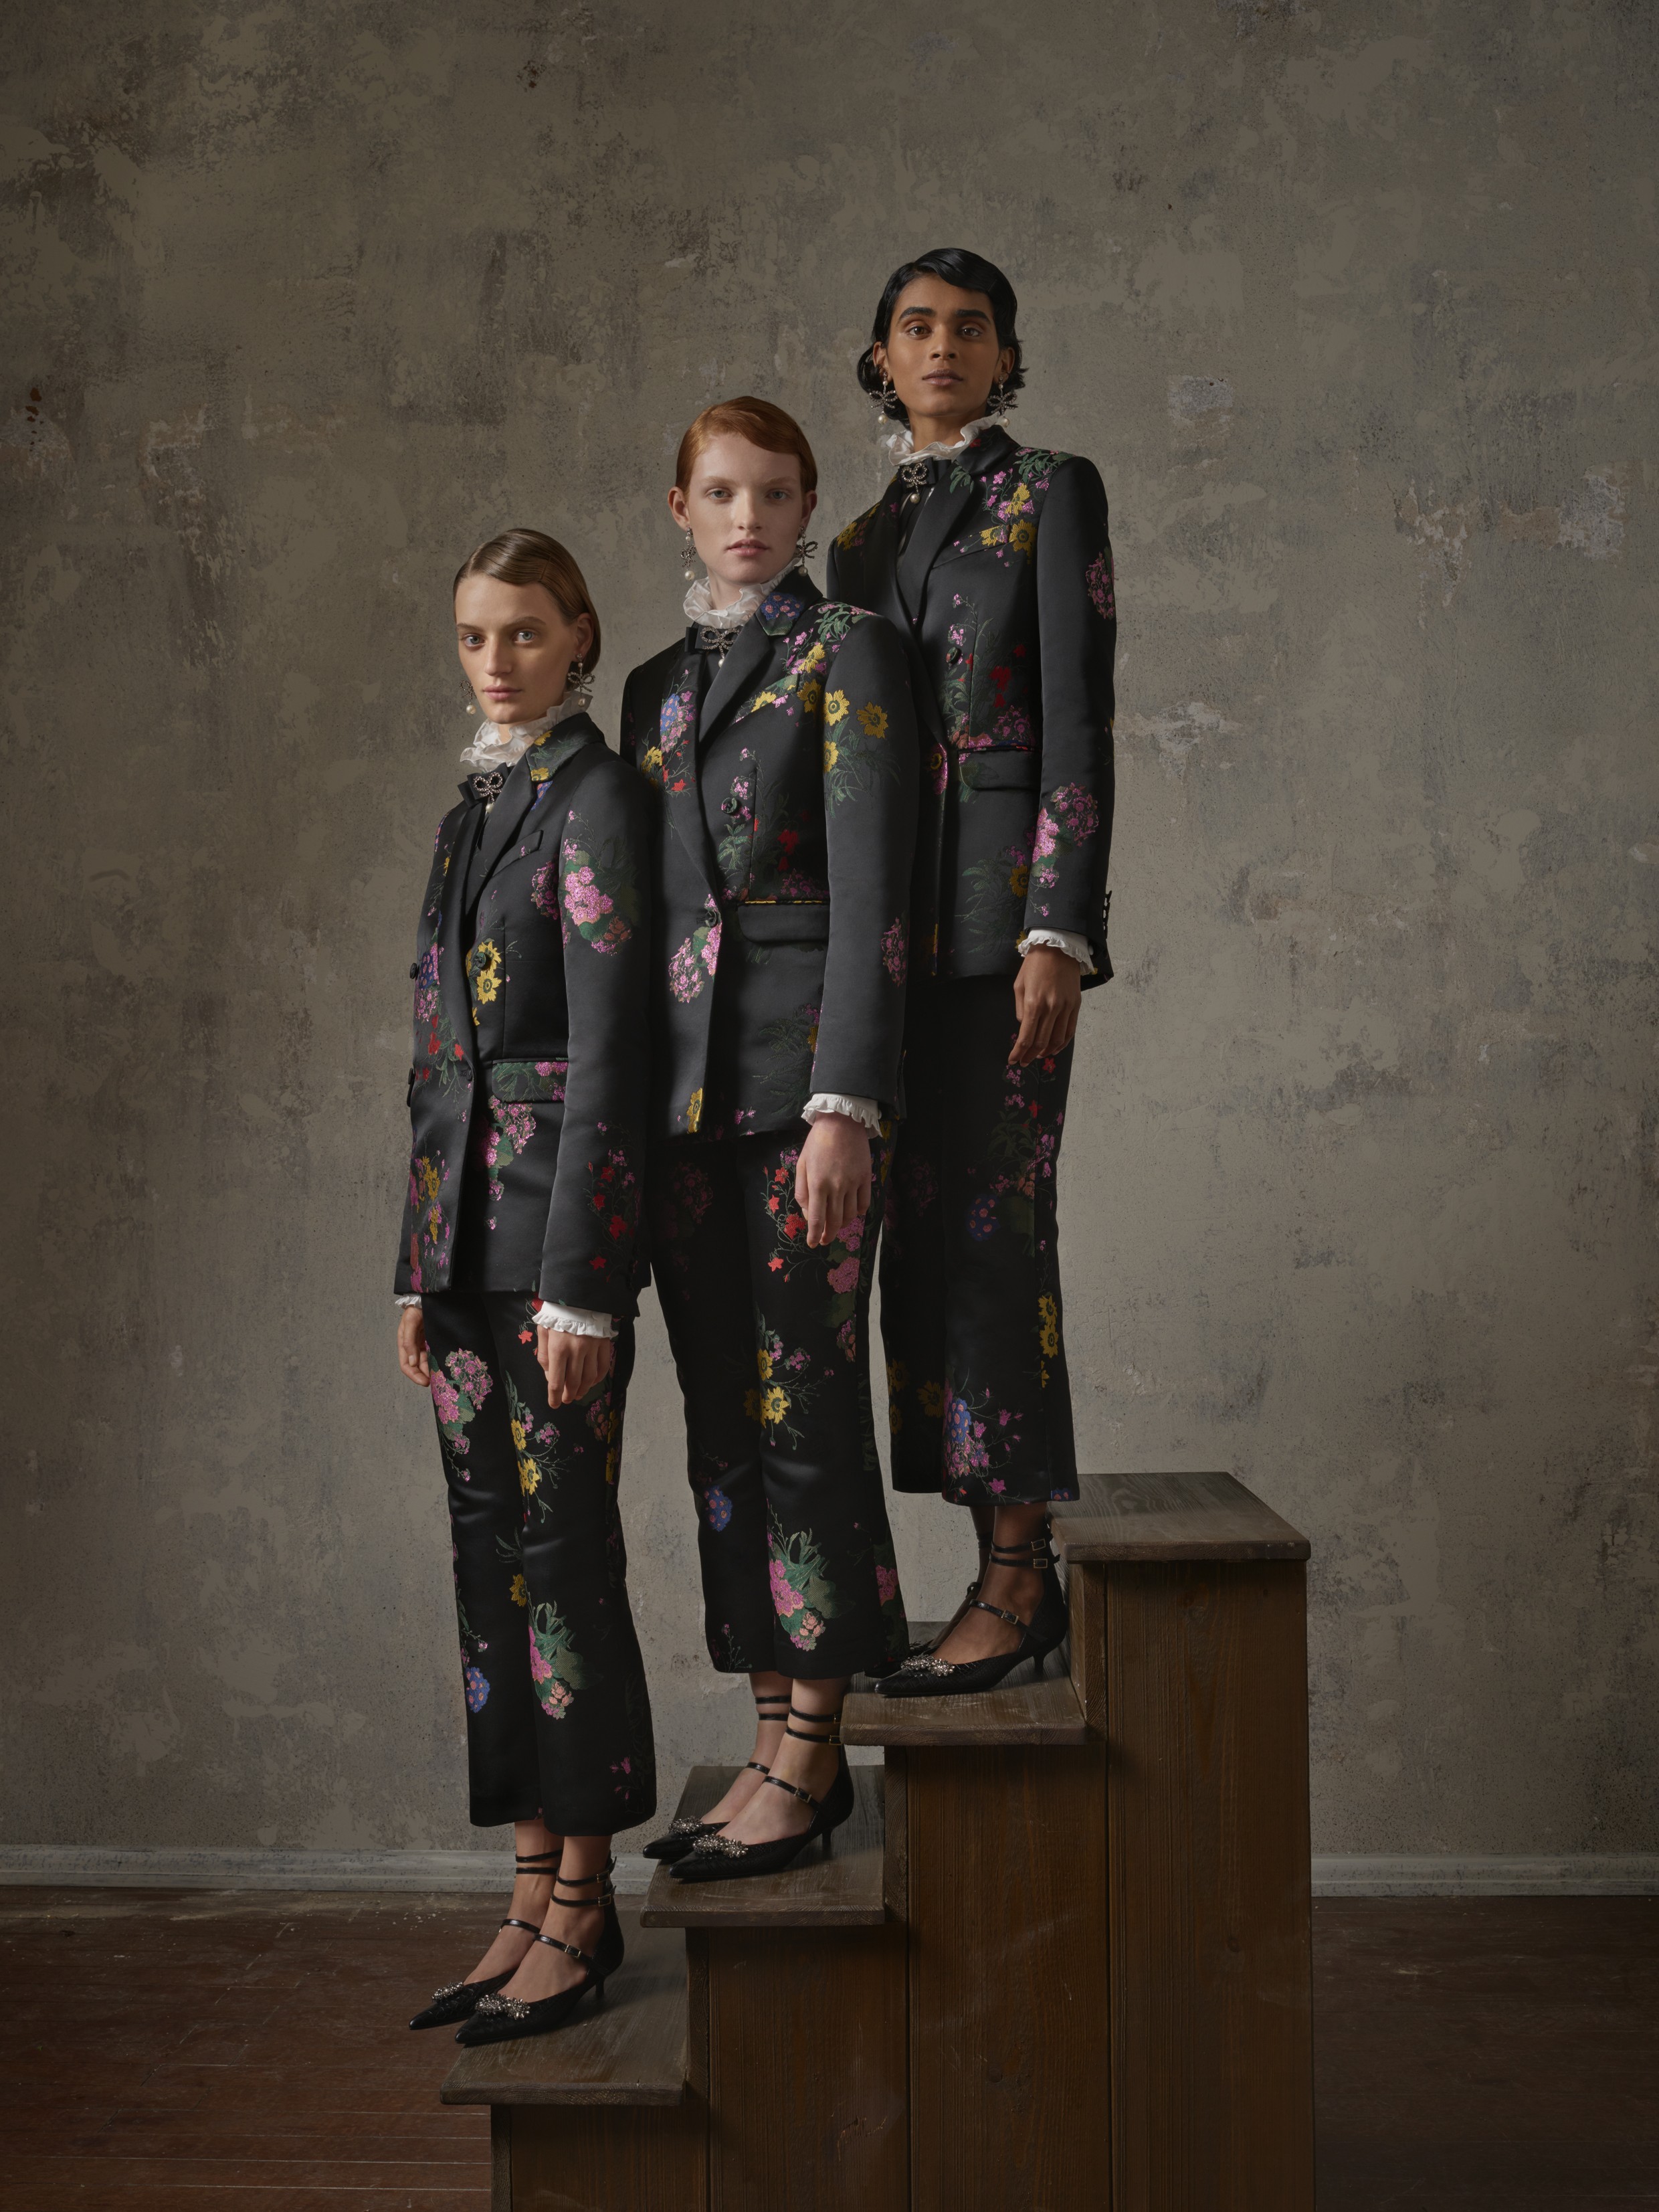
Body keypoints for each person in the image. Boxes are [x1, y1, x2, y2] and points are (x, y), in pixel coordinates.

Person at [621, 397, 918, 1877]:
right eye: (724, 493)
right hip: (678, 1104)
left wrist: (843, 1101)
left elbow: (876, 891)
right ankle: (764, 1735)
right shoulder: (648, 687)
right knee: (720, 1422)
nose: (751, 518)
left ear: (809, 508)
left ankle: (815, 1749)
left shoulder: (848, 647)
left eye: (779, 493)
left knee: (808, 1407)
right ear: (679, 506)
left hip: (804, 1096)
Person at [826, 249, 1116, 1699]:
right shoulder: (855, 541)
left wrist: (1058, 929)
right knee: (922, 1250)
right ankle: (977, 1562)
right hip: (890, 949)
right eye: (917, 327)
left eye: (972, 327)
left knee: (1001, 1238)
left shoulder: (1051, 490)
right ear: (881, 358)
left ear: (1006, 356)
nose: (944, 347)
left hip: (1007, 935)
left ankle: (1021, 1574)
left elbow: (1078, 716)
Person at [395, 529, 656, 2041]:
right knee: (488, 1568)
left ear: (581, 638)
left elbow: (615, 1051)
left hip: (555, 1253)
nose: (497, 662)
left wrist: (586, 1289)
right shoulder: (469, 811)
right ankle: (528, 1886)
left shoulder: (600, 798)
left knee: (564, 1563)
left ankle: (589, 1903)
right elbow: (436, 1058)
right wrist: (412, 1267)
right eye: (474, 637)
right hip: (457, 1258)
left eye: (525, 633)